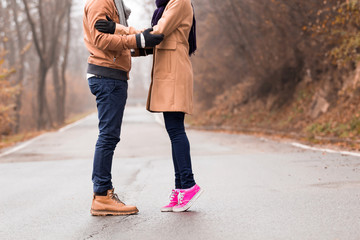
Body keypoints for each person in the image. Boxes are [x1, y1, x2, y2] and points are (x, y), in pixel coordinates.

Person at [95, 0, 202, 213]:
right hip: (169, 72)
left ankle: (188, 184)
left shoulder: (179, 2)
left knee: (176, 130)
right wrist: (128, 48)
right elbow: (153, 41)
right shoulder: (169, 5)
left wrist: (117, 29)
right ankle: (181, 188)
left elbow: (157, 33)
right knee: (173, 130)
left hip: (175, 72)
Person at [83, 0, 164, 216]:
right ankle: (102, 196)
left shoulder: (113, 3)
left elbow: (118, 43)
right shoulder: (101, 2)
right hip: (107, 76)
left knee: (109, 136)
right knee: (108, 136)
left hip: (112, 74)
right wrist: (139, 39)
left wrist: (143, 46)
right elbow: (100, 39)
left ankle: (103, 194)